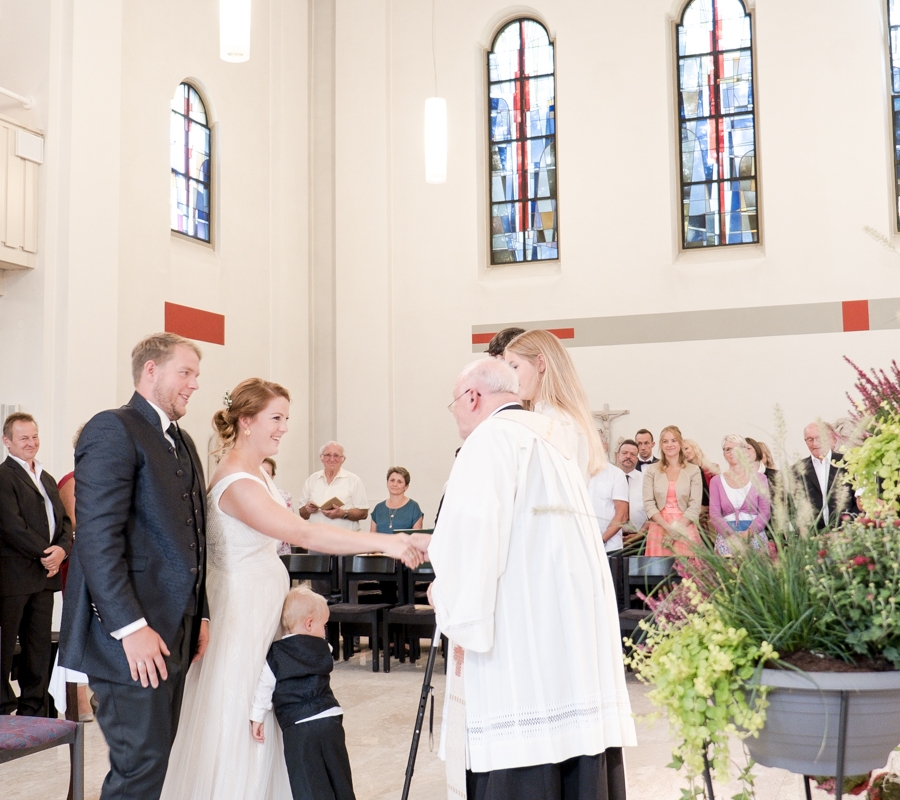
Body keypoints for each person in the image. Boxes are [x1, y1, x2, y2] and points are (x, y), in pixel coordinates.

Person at [160, 378, 422, 800]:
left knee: (268, 707)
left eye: (286, 418)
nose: (284, 428)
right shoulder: (237, 482)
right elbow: (304, 532)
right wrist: (386, 542)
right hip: (242, 615)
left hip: (262, 609)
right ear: (246, 421)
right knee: (242, 708)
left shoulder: (255, 473)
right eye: (276, 418)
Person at [424, 358, 635, 800]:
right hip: (567, 645)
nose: (457, 417)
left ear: (473, 397)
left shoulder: (488, 444)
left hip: (517, 654)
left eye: (453, 405)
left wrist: (443, 595)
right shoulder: (556, 445)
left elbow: (470, 546)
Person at [58, 333, 207, 800]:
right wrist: (130, 627)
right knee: (139, 766)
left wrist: (199, 614)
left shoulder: (180, 440)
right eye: (185, 372)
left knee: (158, 760)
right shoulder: (113, 428)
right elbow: (97, 539)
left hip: (176, 627)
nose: (194, 385)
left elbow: (192, 537)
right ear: (151, 371)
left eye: (196, 376)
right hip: (129, 636)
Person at [250, 587, 355, 800]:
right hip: (330, 718)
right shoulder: (325, 647)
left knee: (308, 781)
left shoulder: (276, 654)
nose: (325, 631)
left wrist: (256, 717)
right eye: (324, 625)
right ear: (309, 624)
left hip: (298, 727)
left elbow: (264, 687)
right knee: (339, 773)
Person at [0, 412, 72, 717]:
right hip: (14, 576)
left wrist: (62, 550)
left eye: (34, 436)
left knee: (38, 645)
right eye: (24, 438)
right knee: (4, 647)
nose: (31, 443)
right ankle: (3, 708)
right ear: (7, 442)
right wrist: (48, 553)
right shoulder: (3, 477)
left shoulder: (46, 478)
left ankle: (35, 707)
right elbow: (11, 526)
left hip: (44, 577)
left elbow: (65, 522)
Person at [504, 328, 606, 481]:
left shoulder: (558, 423)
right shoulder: (544, 417)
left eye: (514, 367)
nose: (509, 378)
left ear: (540, 363)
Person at [55, 424, 94, 721]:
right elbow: (77, 524)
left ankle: (93, 694)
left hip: (105, 560)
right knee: (78, 628)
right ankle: (77, 699)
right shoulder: (72, 480)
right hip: (82, 561)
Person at [642, 425, 702, 556]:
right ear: (661, 445)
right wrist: (668, 528)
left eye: (673, 440)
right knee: (658, 574)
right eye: (665, 441)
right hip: (659, 527)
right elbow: (648, 503)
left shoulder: (693, 470)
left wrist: (676, 530)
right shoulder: (652, 470)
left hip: (685, 527)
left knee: (687, 574)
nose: (669, 444)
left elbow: (695, 505)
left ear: (680, 443)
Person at [708, 435, 771, 556]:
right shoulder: (716, 481)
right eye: (727, 449)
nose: (731, 452)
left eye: (736, 448)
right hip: (727, 539)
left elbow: (765, 512)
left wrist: (748, 534)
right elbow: (714, 514)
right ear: (724, 454)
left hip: (755, 537)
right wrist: (732, 536)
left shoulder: (760, 478)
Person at [792, 421, 855, 530]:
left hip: (847, 532)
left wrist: (849, 523)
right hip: (813, 538)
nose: (815, 443)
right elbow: (792, 507)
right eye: (810, 439)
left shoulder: (849, 463)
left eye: (819, 438)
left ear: (833, 440)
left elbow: (858, 500)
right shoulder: (797, 470)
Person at [586, 461, 629, 553]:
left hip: (610, 547)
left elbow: (622, 515)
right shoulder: (573, 473)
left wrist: (601, 541)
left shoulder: (616, 473)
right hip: (580, 548)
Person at [683, 438, 720, 539]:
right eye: (682, 451)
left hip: (711, 515)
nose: (685, 452)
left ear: (694, 448)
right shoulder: (685, 473)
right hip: (695, 515)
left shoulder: (712, 468)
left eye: (686, 448)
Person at [370, 466, 424, 534]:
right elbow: (372, 537)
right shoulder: (378, 508)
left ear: (406, 487)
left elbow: (417, 538)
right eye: (392, 480)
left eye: (399, 482)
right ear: (387, 483)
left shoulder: (413, 507)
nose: (395, 484)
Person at [262, 457, 293, 556]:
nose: (263, 476)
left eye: (267, 473)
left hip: (280, 553)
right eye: (260, 472)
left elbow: (288, 525)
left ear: (273, 476)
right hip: (257, 552)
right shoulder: (246, 495)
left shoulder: (284, 496)